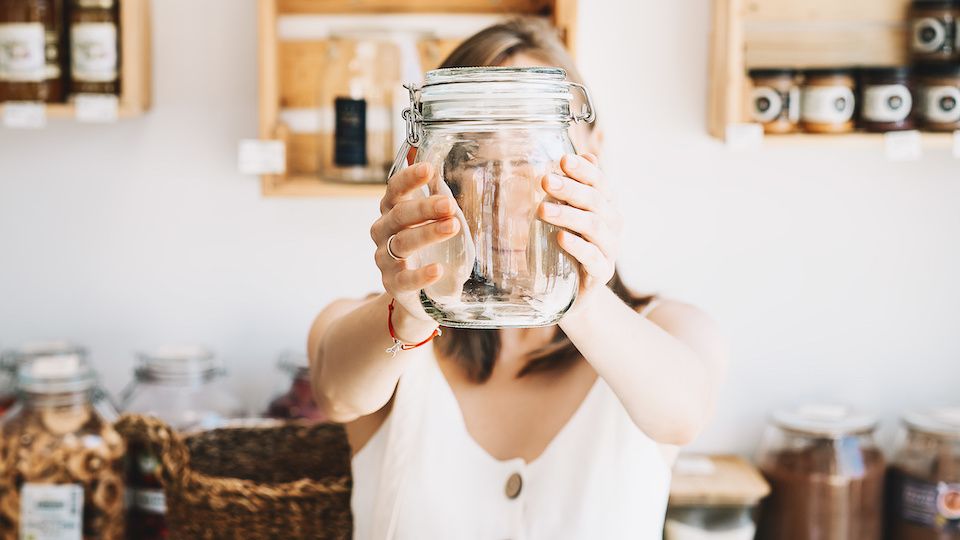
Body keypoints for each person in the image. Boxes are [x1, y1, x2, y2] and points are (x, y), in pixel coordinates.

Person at [308, 17, 729, 539]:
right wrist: (412, 308)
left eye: (531, 158)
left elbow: (682, 416)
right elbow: (338, 393)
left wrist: (576, 293)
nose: (507, 190)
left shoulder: (674, 331)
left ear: (592, 154)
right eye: (477, 159)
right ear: (434, 166)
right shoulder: (380, 331)